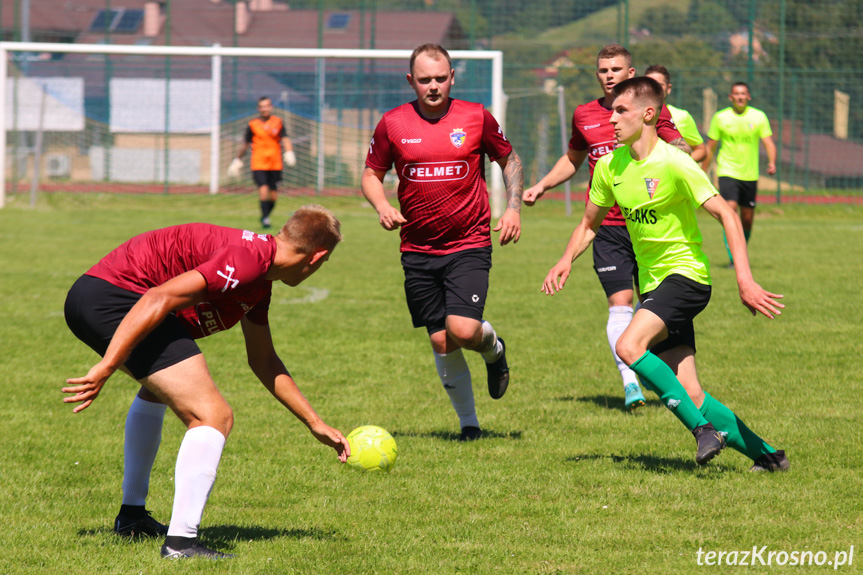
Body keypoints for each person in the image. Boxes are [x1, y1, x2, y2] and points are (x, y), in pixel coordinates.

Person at [63, 206, 350, 559]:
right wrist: (108, 364)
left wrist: (314, 422)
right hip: (115, 299)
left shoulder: (260, 280)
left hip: (101, 295)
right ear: (316, 257)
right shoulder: (248, 261)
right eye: (323, 264)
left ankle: (132, 517)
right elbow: (158, 297)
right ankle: (181, 543)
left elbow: (264, 360)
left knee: (156, 393)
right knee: (213, 416)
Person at [542, 77, 789, 471]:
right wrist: (565, 259)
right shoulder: (609, 166)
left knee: (627, 347)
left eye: (621, 110)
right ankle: (769, 457)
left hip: (687, 277)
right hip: (654, 284)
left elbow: (726, 213)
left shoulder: (676, 162)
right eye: (611, 110)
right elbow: (589, 225)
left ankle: (703, 432)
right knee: (690, 393)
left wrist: (745, 280)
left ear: (648, 114)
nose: (612, 118)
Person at [361, 43, 522, 442]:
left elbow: (509, 159)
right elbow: (370, 173)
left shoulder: (475, 116)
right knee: (440, 339)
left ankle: (494, 351)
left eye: (440, 78)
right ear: (411, 81)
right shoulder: (392, 123)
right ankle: (470, 426)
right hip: (416, 249)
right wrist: (381, 204)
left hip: (468, 243)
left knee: (464, 330)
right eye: (424, 79)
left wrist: (514, 208)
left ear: (452, 77)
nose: (433, 86)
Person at [523, 44, 691, 412]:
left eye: (616, 69)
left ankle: (672, 378)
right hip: (609, 228)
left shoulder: (649, 112)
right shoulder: (584, 114)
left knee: (655, 311)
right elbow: (573, 158)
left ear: (631, 73)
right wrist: (542, 185)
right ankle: (631, 382)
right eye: (603, 70)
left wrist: (683, 157)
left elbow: (678, 150)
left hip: (650, 228)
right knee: (620, 306)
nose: (609, 75)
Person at [702, 82, 777, 267]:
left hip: (750, 174)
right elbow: (710, 148)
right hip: (727, 171)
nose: (740, 97)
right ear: (731, 97)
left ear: (749, 97)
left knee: (747, 219)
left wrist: (772, 161)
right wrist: (703, 170)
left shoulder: (758, 117)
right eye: (736, 94)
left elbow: (768, 142)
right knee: (729, 211)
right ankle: (734, 258)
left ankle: (740, 249)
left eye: (743, 93)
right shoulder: (720, 118)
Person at [227, 96, 297, 229]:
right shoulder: (253, 124)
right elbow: (245, 144)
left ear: (271, 107)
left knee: (274, 196)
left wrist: (289, 151)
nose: (264, 109)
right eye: (261, 106)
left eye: (266, 106)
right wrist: (237, 160)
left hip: (275, 164)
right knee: (263, 190)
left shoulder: (278, 122)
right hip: (258, 163)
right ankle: (265, 220)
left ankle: (265, 215)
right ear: (258, 108)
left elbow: (285, 138)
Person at [644, 65, 707, 163]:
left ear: (668, 88)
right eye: (649, 85)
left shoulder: (682, 116)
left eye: (659, 85)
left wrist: (680, 165)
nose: (654, 89)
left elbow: (701, 150)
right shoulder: (634, 114)